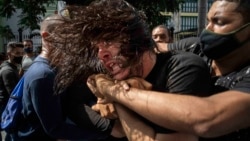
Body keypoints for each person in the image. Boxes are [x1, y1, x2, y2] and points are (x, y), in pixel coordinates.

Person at [87, 0, 250, 140]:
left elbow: (206, 118)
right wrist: (104, 77)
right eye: (208, 20)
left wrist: (115, 92)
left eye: (219, 22)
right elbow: (148, 48)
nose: (208, 29)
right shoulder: (195, 46)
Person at [17, 14, 124, 141]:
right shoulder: (43, 75)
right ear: (47, 37)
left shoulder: (57, 68)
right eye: (67, 35)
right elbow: (54, 128)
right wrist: (106, 134)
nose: (73, 41)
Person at [0, 42, 24, 141]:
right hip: (8, 108)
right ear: (9, 54)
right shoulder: (8, 71)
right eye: (17, 53)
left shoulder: (13, 68)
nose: (21, 56)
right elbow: (13, 94)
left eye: (22, 53)